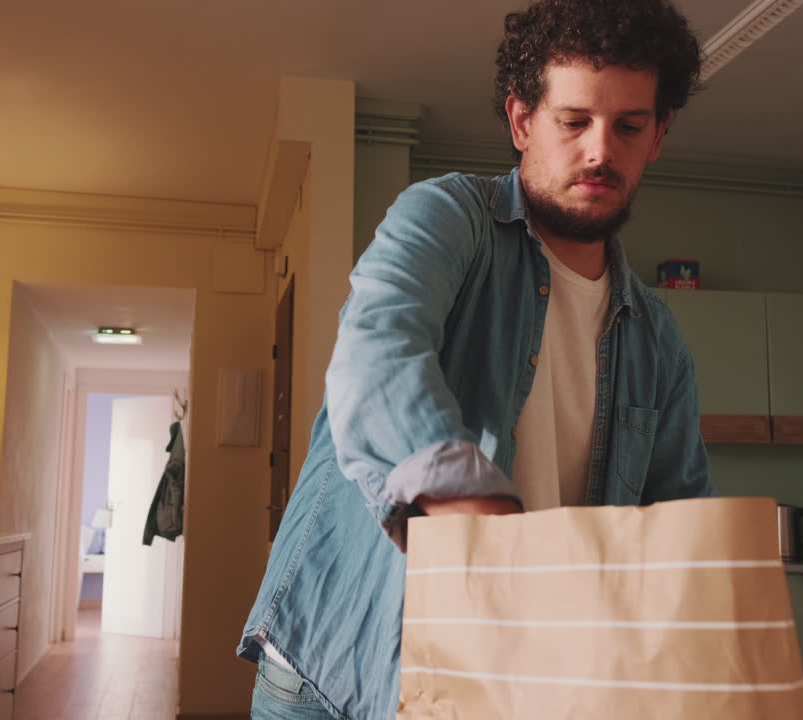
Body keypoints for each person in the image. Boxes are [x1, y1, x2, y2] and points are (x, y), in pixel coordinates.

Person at [239, 0, 714, 717]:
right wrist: (474, 504)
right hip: (335, 668)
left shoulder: (658, 339)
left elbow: (675, 520)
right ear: (523, 121)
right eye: (574, 120)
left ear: (659, 136)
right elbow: (376, 351)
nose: (599, 150)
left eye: (628, 126)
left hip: (503, 680)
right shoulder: (447, 216)